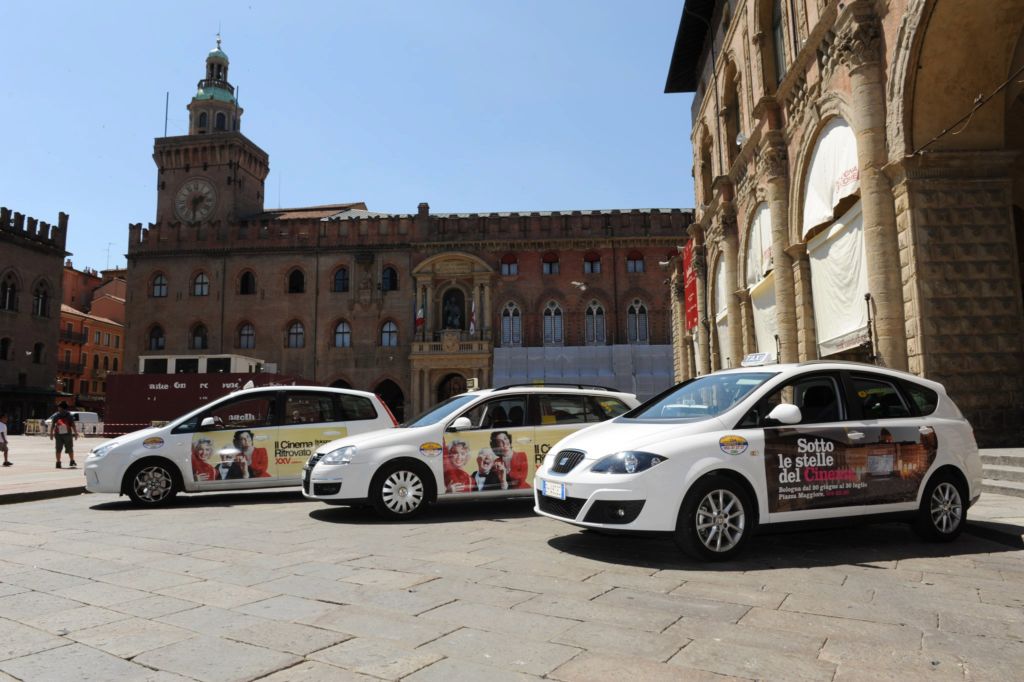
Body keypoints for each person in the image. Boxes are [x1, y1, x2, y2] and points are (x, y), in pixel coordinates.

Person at [49, 401, 78, 468]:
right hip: (67, 434)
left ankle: (58, 462)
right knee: (70, 448)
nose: (58, 408)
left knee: (58, 448)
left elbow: (53, 425)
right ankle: (72, 461)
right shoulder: (69, 415)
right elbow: (73, 425)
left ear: (61, 408)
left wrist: (51, 433)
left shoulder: (56, 415)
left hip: (58, 434)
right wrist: (75, 433)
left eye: (59, 407)